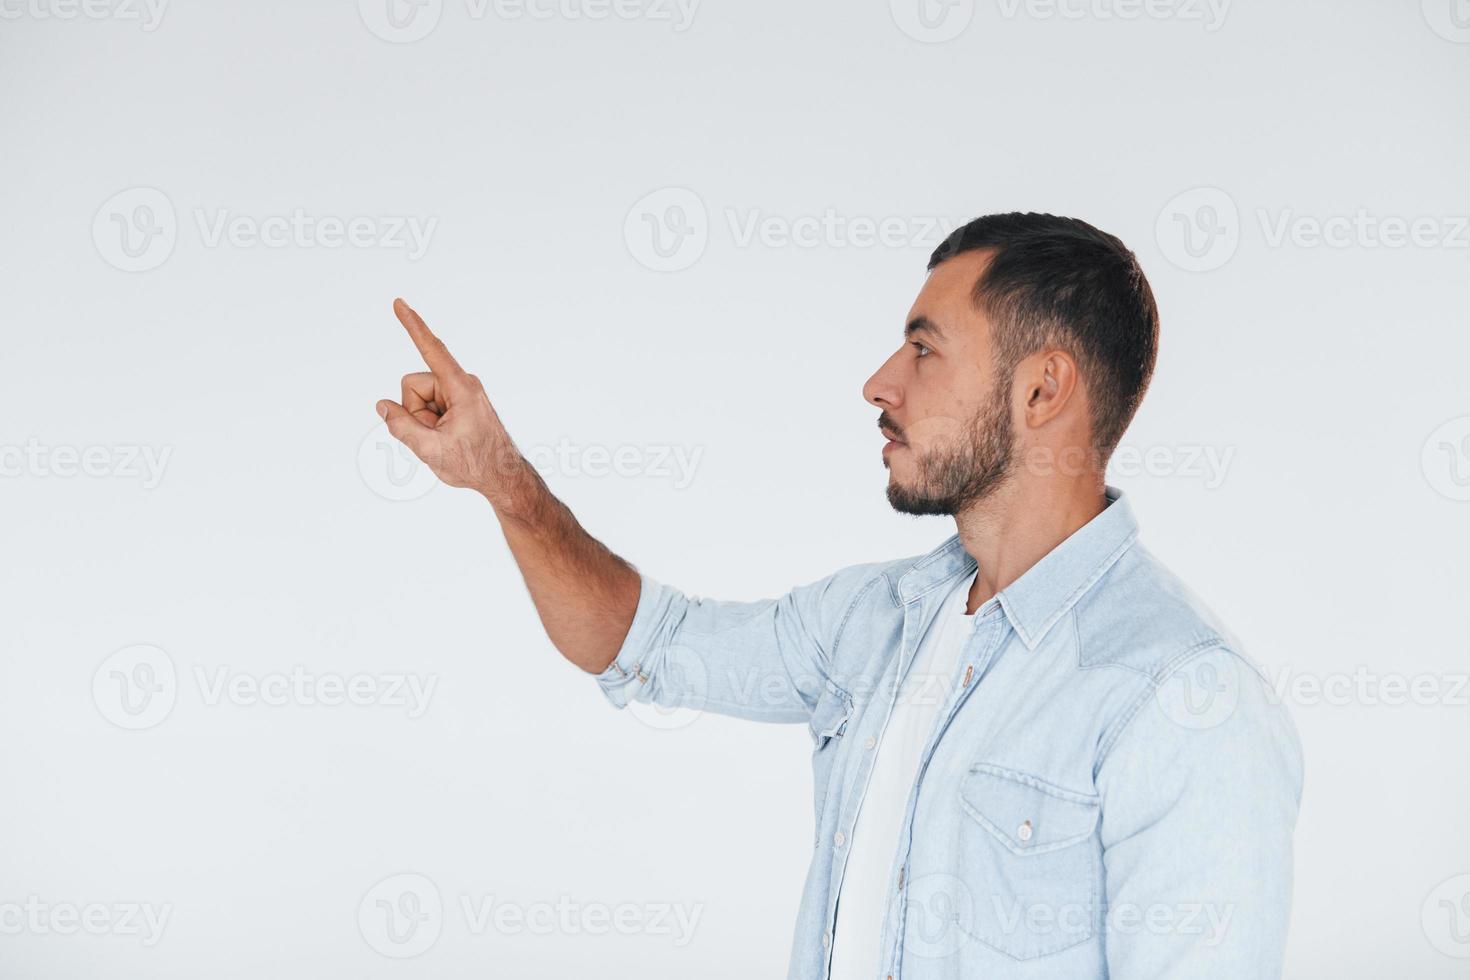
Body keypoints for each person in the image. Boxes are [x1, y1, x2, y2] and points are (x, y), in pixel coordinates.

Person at [374, 212, 1303, 979]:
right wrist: (504, 481)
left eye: (924, 349)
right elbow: (638, 641)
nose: (879, 383)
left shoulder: (1185, 699)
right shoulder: (875, 622)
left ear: (1042, 389)